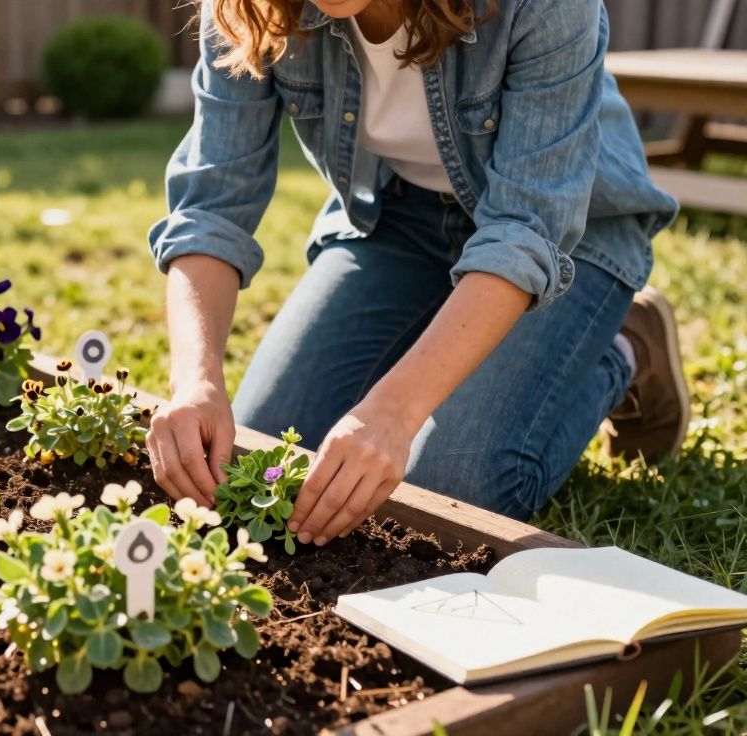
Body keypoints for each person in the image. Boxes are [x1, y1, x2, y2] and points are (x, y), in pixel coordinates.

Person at [145, 0, 689, 543]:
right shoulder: (250, 9)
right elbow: (212, 205)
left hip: (572, 233)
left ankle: (626, 348)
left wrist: (392, 413)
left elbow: (528, 230)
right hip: (398, 218)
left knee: (447, 487)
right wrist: (195, 381)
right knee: (269, 446)